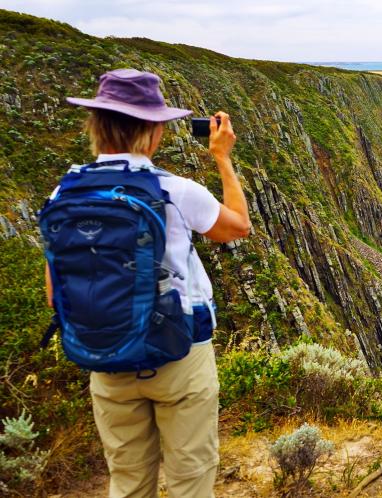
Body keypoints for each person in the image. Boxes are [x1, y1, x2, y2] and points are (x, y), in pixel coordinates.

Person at [45, 68, 251, 497]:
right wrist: (223, 158)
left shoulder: (64, 195)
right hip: (179, 352)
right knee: (189, 478)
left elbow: (54, 294)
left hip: (104, 354)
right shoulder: (175, 191)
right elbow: (238, 227)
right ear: (154, 131)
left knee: (126, 479)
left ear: (96, 125)